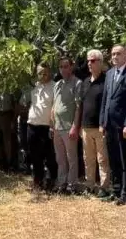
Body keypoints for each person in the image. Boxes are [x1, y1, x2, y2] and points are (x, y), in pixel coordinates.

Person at [100, 45, 126, 205]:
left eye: (118, 54)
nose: (115, 56)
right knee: (114, 159)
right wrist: (102, 122)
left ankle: (125, 193)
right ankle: (116, 190)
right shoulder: (110, 73)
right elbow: (105, 99)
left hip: (123, 125)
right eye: (113, 54)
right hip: (109, 125)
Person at [80, 50, 111, 196]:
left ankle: (104, 187)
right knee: (88, 158)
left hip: (100, 127)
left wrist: (103, 123)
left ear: (100, 62)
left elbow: (107, 105)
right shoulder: (85, 81)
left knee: (102, 159)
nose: (89, 64)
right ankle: (90, 185)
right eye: (88, 61)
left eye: (92, 61)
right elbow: (82, 104)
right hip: (85, 127)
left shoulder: (106, 81)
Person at [51, 57, 83, 193]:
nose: (63, 69)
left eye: (66, 66)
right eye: (61, 67)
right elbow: (54, 107)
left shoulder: (77, 83)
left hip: (69, 127)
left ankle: (72, 185)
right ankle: (61, 183)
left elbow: (78, 107)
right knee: (60, 158)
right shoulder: (57, 84)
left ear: (71, 67)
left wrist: (75, 126)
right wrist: (51, 126)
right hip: (57, 127)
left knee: (72, 158)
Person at [24, 63, 57, 191]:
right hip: (32, 125)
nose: (42, 75)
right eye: (40, 73)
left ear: (50, 72)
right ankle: (37, 181)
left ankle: (50, 181)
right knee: (35, 155)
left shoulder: (55, 86)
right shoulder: (35, 86)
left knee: (49, 156)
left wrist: (52, 125)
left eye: (45, 73)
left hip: (47, 126)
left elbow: (55, 107)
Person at [0, 88, 19, 172]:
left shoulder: (9, 87)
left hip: (6, 114)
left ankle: (9, 163)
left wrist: (13, 119)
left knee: (8, 140)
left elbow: (15, 104)